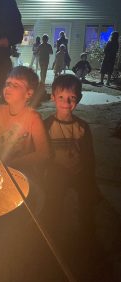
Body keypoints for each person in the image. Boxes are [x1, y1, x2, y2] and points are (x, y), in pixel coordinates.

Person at [43, 74, 101, 244]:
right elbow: (42, 153)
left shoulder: (82, 126)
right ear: (53, 97)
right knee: (53, 202)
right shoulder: (46, 125)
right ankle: (50, 231)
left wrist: (91, 180)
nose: (66, 102)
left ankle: (87, 231)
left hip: (78, 172)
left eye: (72, 97)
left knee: (87, 200)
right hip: (56, 172)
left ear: (79, 98)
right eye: (61, 97)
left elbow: (89, 156)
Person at [0, 66, 49, 180]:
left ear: (29, 93)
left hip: (22, 172)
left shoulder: (33, 118)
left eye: (15, 85)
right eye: (7, 83)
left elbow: (44, 153)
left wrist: (12, 163)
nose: (8, 88)